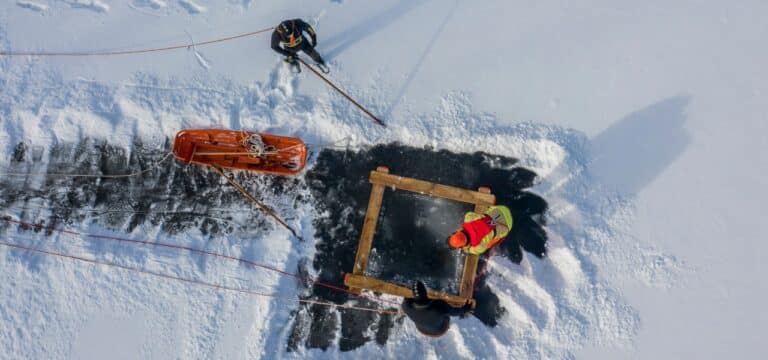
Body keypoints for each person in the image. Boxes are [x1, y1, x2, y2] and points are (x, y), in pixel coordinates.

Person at [401, 281, 472, 337]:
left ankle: (461, 314)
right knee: (446, 313)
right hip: (440, 330)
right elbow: (453, 312)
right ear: (425, 293)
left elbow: (407, 296)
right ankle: (462, 315)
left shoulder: (406, 306)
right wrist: (465, 309)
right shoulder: (437, 307)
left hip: (422, 329)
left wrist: (465, 309)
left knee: (444, 311)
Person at [447, 205, 513, 255]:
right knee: (483, 215)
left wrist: (465, 249)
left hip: (508, 224)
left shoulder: (477, 247)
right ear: (457, 231)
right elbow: (469, 214)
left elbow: (468, 250)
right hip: (501, 209)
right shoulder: (468, 219)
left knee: (489, 244)